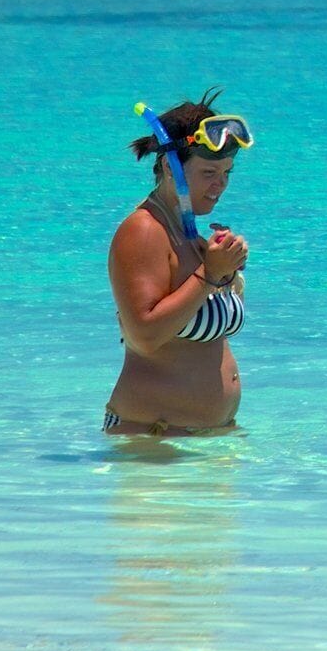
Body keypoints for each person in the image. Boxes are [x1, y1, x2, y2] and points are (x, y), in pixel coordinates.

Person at [106, 96, 254, 435]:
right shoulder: (143, 231)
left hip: (211, 438)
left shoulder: (188, 235)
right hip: (154, 437)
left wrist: (227, 271)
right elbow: (145, 336)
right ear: (171, 167)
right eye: (209, 173)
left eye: (226, 173)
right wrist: (210, 274)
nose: (221, 185)